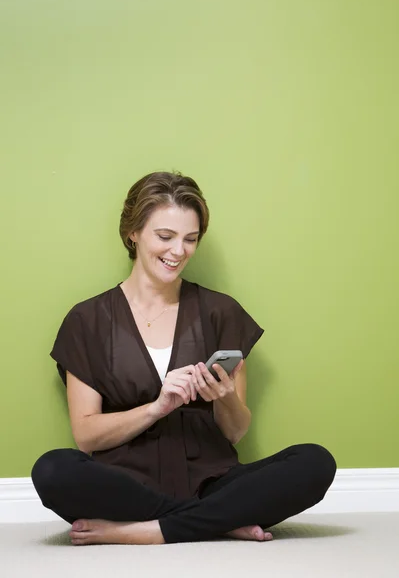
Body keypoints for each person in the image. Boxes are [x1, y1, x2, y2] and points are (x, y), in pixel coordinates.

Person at [32, 171, 336, 546]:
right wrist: (156, 408)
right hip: (127, 485)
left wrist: (223, 396)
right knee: (52, 470)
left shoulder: (221, 312)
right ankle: (217, 523)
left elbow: (235, 431)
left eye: (190, 239)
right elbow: (86, 436)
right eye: (165, 236)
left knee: (315, 462)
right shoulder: (87, 320)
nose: (179, 251)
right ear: (133, 233)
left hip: (212, 482)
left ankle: (147, 531)